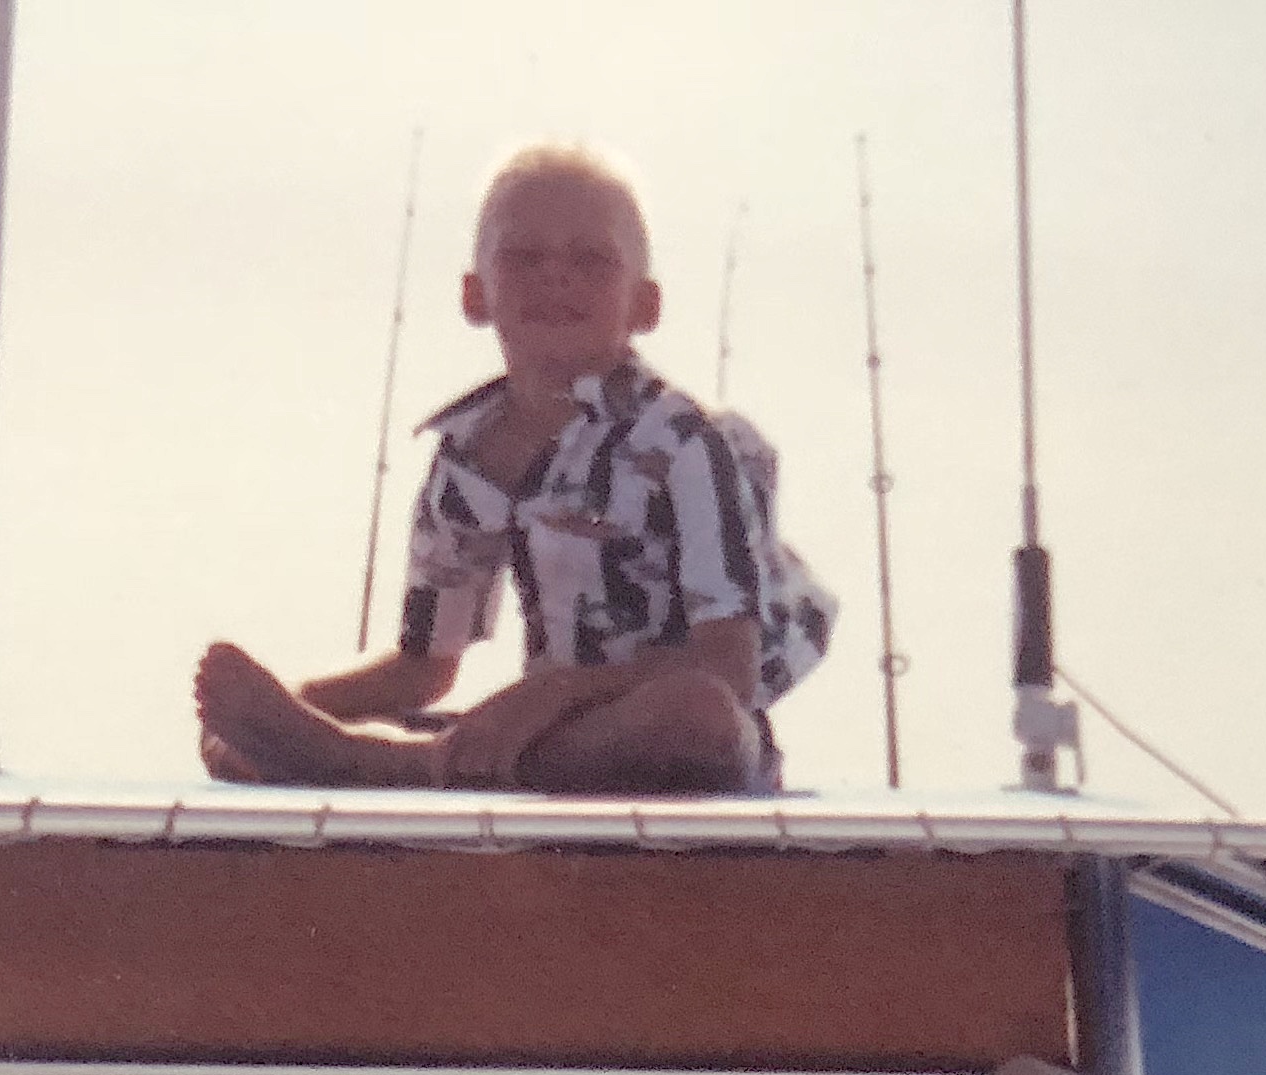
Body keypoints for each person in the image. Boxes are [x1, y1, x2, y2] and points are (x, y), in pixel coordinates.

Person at [192, 143, 836, 797]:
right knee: (280, 744)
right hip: (546, 746)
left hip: (675, 738)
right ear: (476, 295)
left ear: (645, 307)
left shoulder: (691, 445)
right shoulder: (470, 457)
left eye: (592, 260)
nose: (556, 276)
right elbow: (424, 666)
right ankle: (357, 751)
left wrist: (551, 693)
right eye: (524, 257)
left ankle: (384, 765)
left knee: (696, 717)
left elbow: (729, 667)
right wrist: (293, 704)